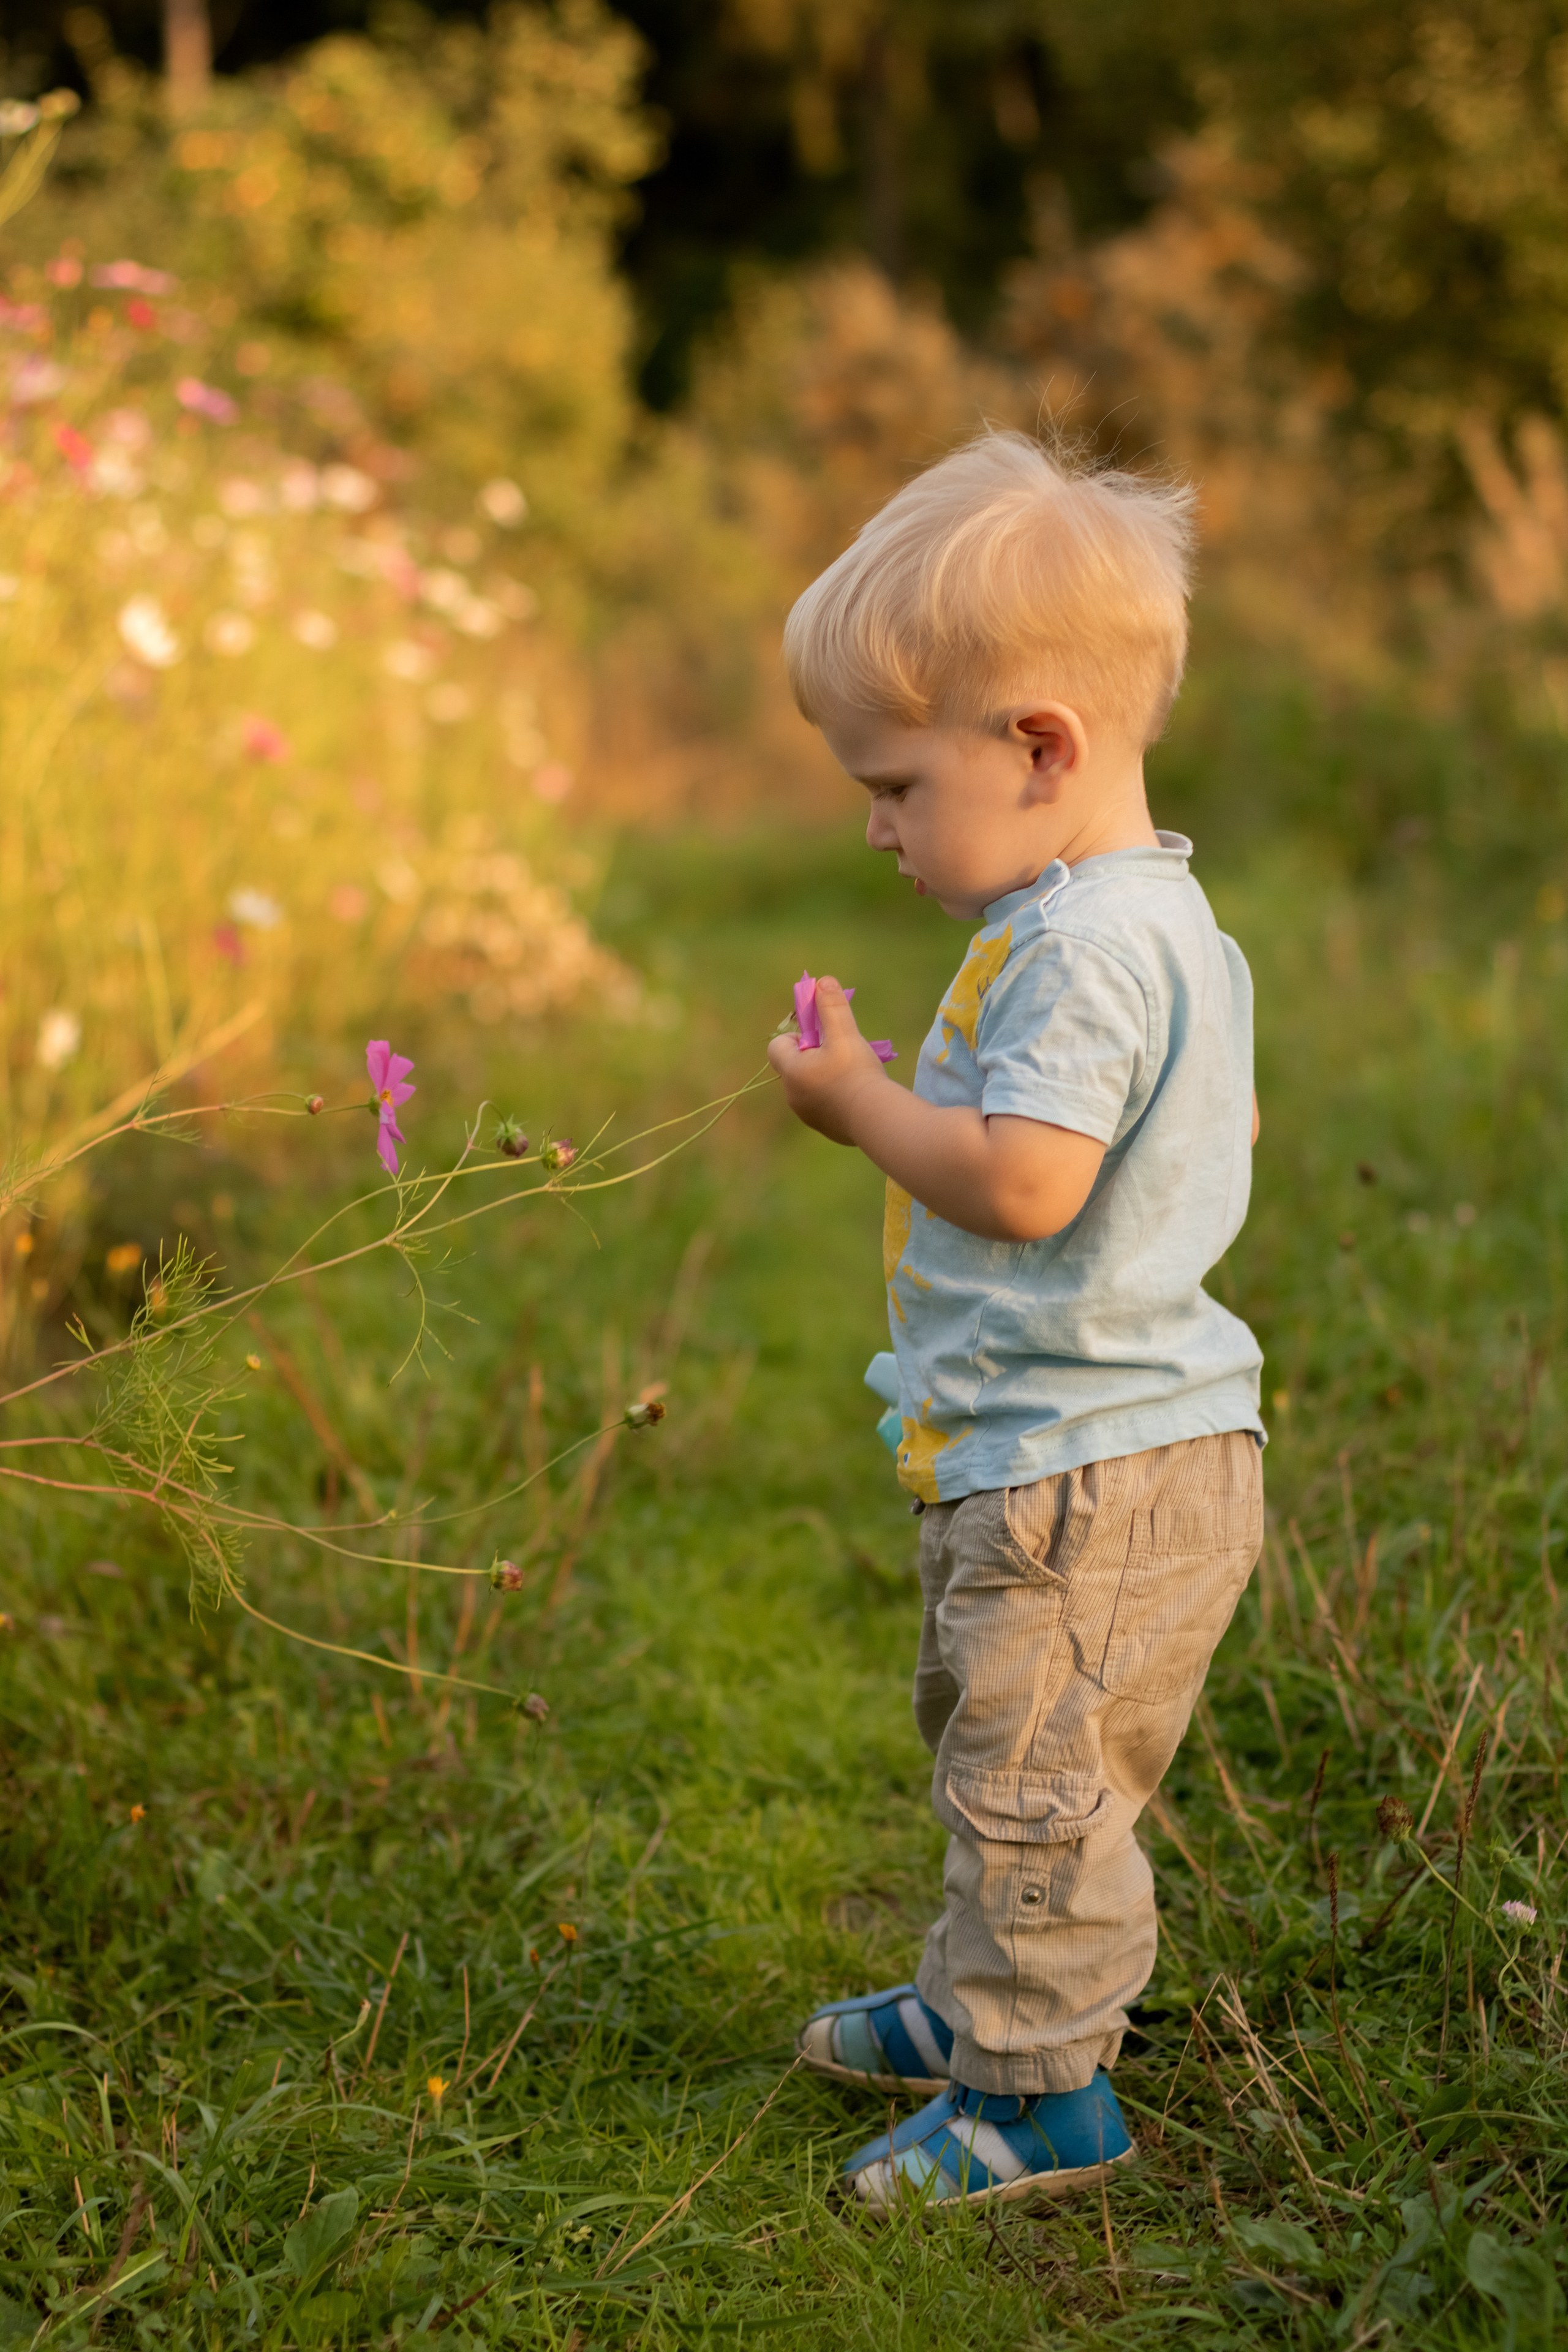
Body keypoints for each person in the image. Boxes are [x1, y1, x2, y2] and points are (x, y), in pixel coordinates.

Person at [767, 429, 1265, 2215]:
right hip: (1071, 1453)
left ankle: (1043, 2098)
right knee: (1005, 1755)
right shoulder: (1123, 913)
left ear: (1039, 745)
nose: (878, 823)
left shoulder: (1088, 946)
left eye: (896, 783)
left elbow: (1032, 1183)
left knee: (1037, 1792)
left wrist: (860, 1111)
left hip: (1088, 1474)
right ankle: (990, 2006)